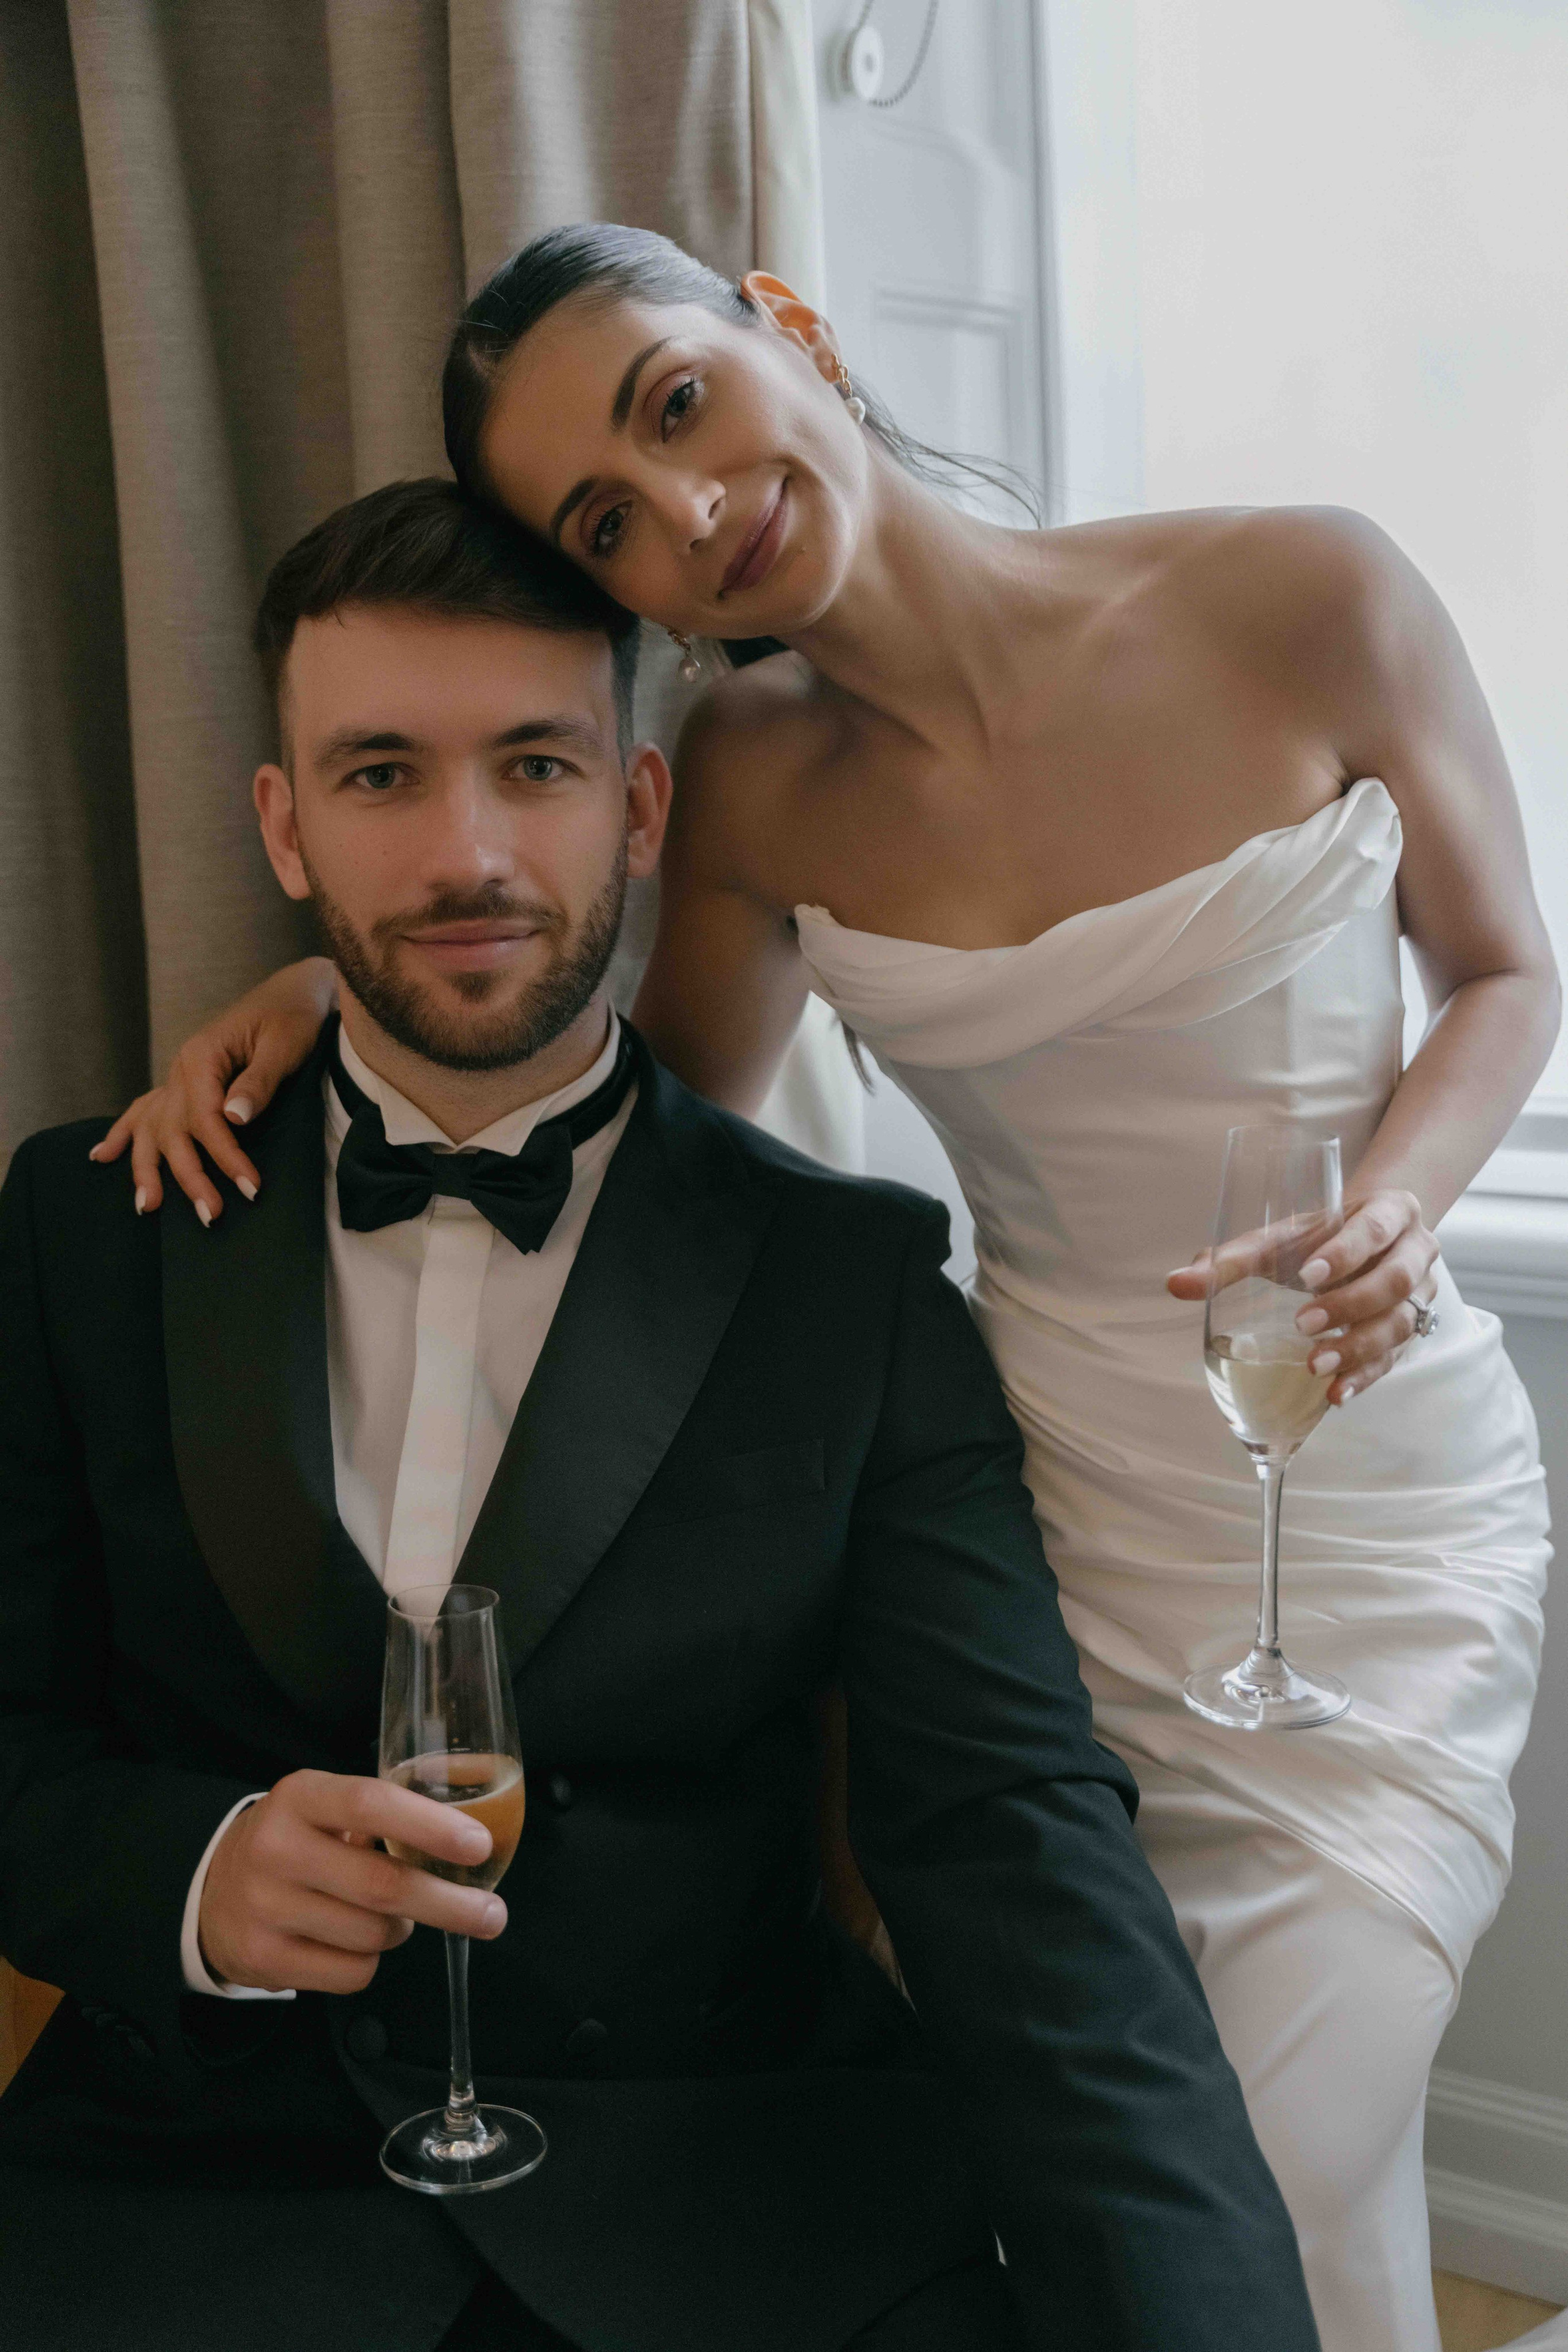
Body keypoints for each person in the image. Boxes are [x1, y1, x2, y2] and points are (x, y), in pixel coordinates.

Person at [102, 226, 1559, 2352]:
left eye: (675, 406)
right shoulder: (759, 789)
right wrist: (337, 986)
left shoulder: (1308, 592)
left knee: (1274, 2112)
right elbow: (628, 1123)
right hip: (1051, 1517)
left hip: (1362, 1491)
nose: (688, 509)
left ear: (782, 324)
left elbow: (1509, 974)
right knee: (1198, 2143)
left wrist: (1401, 1209)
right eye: (610, 522)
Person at [0, 478, 1321, 2352]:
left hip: (743, 2211)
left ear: (637, 807)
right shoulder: (85, 1228)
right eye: (382, 775)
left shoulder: (850, 1291)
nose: (467, 854)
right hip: (189, 2205)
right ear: (285, 829)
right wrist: (192, 1875)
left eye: (534, 769)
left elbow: (1023, 1861)